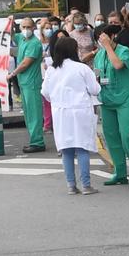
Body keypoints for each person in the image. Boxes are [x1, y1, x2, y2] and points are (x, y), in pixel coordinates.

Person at [43, 33, 101, 194]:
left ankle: (71, 185)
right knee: (82, 147)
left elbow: (45, 92)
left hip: (61, 112)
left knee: (66, 149)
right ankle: (86, 185)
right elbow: (95, 89)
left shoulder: (51, 70)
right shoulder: (82, 68)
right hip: (80, 110)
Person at [94, 19, 129, 181]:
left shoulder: (124, 51)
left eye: (104, 37)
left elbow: (118, 65)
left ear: (112, 36)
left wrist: (108, 46)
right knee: (112, 137)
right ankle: (120, 173)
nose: (101, 41)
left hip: (124, 100)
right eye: (99, 39)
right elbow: (98, 74)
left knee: (128, 137)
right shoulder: (99, 55)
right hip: (107, 101)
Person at [13, 20, 46, 152]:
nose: (26, 29)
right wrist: (10, 23)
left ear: (33, 28)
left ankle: (37, 142)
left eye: (28, 27)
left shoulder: (34, 43)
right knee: (29, 114)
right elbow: (10, 35)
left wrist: (13, 73)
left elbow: (26, 63)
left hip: (31, 83)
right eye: (23, 27)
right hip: (24, 82)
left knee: (34, 114)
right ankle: (34, 140)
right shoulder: (22, 39)